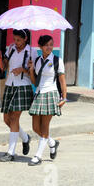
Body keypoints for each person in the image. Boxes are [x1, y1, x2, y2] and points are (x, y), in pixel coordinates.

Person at [0, 29, 36, 162]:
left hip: (23, 86)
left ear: (25, 39)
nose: (16, 42)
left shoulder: (31, 51)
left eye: (19, 40)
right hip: (10, 85)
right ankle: (25, 138)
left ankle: (10, 152)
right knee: (6, 119)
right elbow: (4, 67)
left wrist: (24, 69)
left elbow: (34, 72)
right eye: (15, 39)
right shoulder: (11, 48)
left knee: (14, 118)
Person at [27, 35, 67, 166]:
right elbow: (34, 82)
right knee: (35, 127)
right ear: (40, 46)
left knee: (44, 127)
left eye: (51, 44)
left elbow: (62, 80)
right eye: (46, 45)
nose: (49, 47)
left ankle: (38, 156)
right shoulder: (37, 60)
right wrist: (31, 70)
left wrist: (64, 97)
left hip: (51, 94)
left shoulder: (57, 60)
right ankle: (52, 142)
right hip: (38, 94)